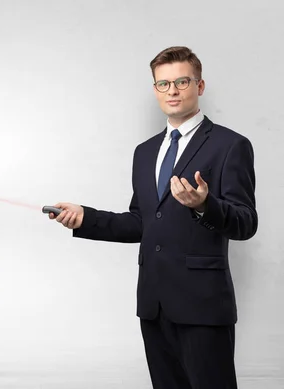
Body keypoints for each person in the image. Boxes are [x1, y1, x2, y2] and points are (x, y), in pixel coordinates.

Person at [49, 46, 258, 389]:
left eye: (181, 82)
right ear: (155, 89)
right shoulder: (145, 152)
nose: (172, 91)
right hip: (153, 303)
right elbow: (142, 222)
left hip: (203, 303)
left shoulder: (230, 145)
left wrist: (205, 204)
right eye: (163, 84)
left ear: (199, 86)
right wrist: (85, 217)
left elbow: (246, 222)